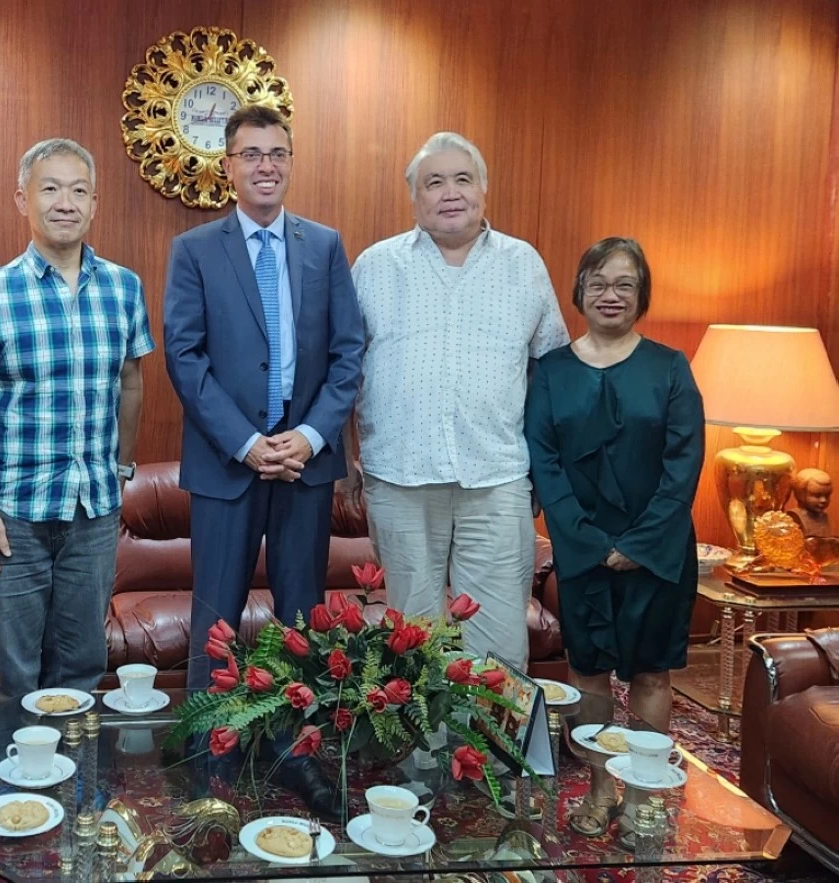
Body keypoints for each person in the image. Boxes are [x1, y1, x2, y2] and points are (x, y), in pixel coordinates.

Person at [164, 105, 363, 817]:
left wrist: (308, 435)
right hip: (228, 463)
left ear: (291, 159)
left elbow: (348, 352)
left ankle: (298, 750)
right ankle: (209, 759)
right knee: (215, 613)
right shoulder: (194, 250)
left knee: (300, 616)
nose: (266, 165)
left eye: (278, 152)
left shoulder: (325, 246)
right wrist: (247, 444)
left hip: (305, 462)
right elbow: (184, 358)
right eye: (251, 154)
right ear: (229, 166)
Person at [0, 138, 154, 767]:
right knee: (10, 675)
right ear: (23, 199)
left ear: (94, 203)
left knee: (82, 667)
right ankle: (3, 803)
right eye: (49, 189)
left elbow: (131, 383)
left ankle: (73, 801)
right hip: (11, 517)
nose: (65, 203)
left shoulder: (123, 287)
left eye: (78, 190)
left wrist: (119, 471)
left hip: (92, 513)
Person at [349, 132, 568, 671]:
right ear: (415, 198)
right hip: (399, 478)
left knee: (496, 645)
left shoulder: (524, 265)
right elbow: (340, 370)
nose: (450, 193)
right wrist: (341, 459)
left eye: (462, 179)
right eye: (434, 182)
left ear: (484, 190)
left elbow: (552, 372)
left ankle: (491, 758)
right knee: (410, 640)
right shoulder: (375, 266)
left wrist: (546, 470)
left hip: (496, 480)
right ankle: (416, 759)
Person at [524, 237, 705, 836]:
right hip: (581, 550)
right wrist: (583, 540)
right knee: (588, 672)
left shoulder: (671, 367)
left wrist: (640, 542)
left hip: (658, 551)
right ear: (579, 292)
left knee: (651, 672)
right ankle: (602, 787)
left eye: (624, 284)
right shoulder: (550, 372)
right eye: (599, 282)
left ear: (641, 296)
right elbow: (544, 462)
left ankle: (643, 793)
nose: (610, 294)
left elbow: (684, 464)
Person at [790, 467, 833, 537]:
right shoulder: (794, 516)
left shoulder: (823, 516)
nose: (823, 500)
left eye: (827, 495)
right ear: (801, 494)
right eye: (817, 496)